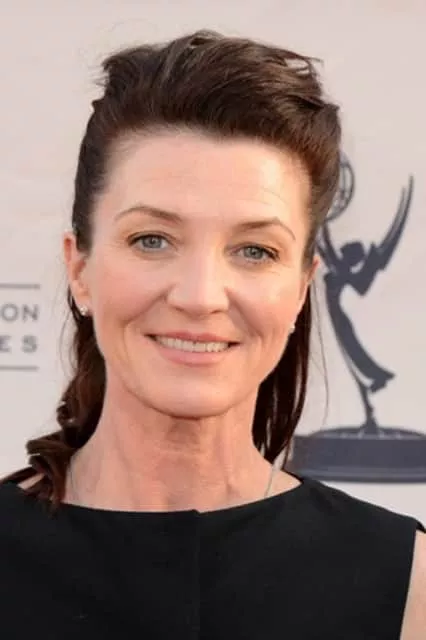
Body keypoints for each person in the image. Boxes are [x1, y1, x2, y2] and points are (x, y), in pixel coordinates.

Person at [0, 30, 424, 639]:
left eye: (255, 250)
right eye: (152, 240)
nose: (200, 296)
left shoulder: (406, 583)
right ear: (79, 268)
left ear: (301, 288)